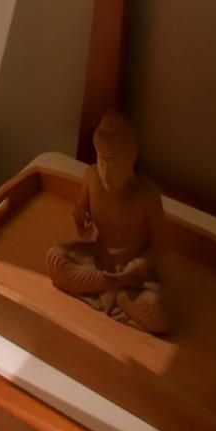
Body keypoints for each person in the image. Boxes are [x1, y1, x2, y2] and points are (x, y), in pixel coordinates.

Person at [47, 111, 169, 333]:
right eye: (101, 162)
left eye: (114, 165)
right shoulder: (91, 177)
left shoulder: (147, 194)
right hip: (100, 260)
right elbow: (85, 232)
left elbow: (160, 247)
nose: (106, 173)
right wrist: (81, 224)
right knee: (54, 259)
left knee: (155, 310)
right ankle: (114, 291)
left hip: (134, 273)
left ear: (130, 160)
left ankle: (114, 293)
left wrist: (134, 268)